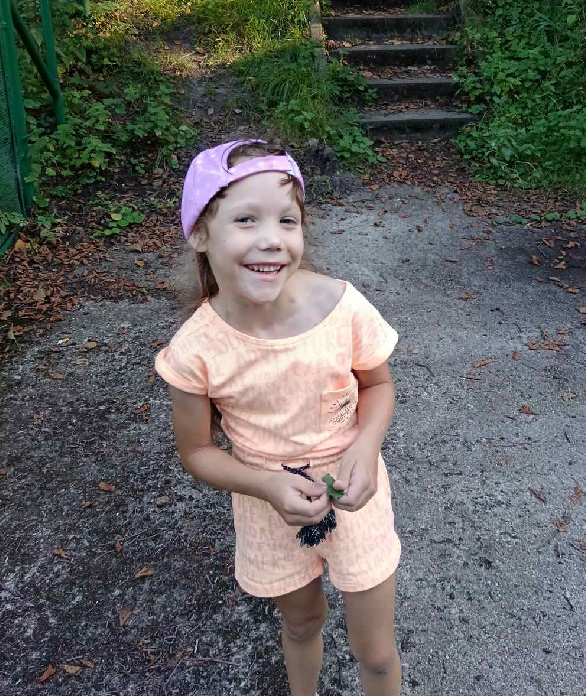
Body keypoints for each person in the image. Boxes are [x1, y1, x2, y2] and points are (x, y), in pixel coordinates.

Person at [155, 140, 402, 696]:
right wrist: (267, 485)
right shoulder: (195, 350)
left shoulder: (341, 306)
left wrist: (365, 447)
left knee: (376, 651)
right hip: (266, 508)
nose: (272, 238)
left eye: (287, 220)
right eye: (246, 219)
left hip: (357, 494)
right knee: (302, 623)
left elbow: (379, 385)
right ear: (200, 234)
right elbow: (196, 451)